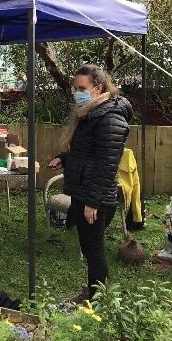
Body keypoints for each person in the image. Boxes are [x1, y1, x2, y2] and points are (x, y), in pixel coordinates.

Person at [48, 64, 132, 302]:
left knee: (94, 250)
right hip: (84, 192)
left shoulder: (110, 117)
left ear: (99, 88)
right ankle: (97, 292)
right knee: (89, 246)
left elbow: (106, 164)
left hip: (95, 197)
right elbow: (88, 152)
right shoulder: (92, 113)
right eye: (75, 88)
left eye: (82, 88)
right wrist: (64, 158)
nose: (77, 92)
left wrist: (93, 202)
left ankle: (98, 300)